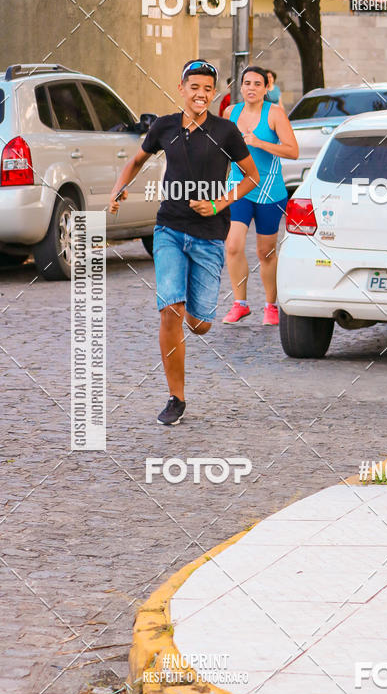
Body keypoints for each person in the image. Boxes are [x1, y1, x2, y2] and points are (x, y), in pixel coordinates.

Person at [108, 59, 259, 426]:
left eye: (208, 89)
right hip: (170, 230)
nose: (201, 94)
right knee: (169, 310)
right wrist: (118, 190)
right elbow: (136, 161)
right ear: (181, 88)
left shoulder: (226, 132)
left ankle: (196, 311)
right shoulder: (164, 127)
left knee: (199, 324)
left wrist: (218, 202)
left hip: (209, 237)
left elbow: (252, 177)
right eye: (195, 87)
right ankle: (176, 397)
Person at [222, 65, 298, 326]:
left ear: (267, 88)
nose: (251, 88)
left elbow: (293, 151)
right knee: (233, 245)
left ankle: (271, 306)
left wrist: (259, 142)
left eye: (257, 83)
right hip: (239, 188)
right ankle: (240, 304)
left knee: (265, 252)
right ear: (240, 87)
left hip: (269, 191)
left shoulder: (275, 114)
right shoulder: (230, 113)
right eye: (247, 83)